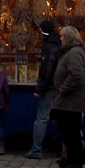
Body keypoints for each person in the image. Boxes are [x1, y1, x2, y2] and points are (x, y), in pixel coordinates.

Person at [51, 26, 85, 168]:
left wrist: (63, 89)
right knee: (67, 130)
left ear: (68, 38)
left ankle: (77, 159)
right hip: (67, 99)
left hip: (71, 99)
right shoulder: (72, 52)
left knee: (71, 131)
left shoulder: (74, 52)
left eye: (62, 37)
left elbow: (75, 74)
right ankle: (71, 157)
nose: (60, 39)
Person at [25, 19, 62, 159]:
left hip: (49, 86)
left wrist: (40, 88)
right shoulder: (59, 43)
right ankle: (63, 148)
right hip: (59, 85)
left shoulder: (48, 46)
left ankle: (36, 149)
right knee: (60, 117)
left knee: (42, 118)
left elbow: (47, 69)